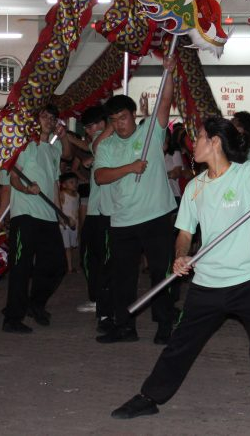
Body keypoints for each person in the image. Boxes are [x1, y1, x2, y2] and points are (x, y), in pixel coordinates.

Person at [110, 116, 250, 435]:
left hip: (249, 282)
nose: (194, 144)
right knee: (180, 345)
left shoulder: (248, 175)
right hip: (207, 284)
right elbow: (185, 234)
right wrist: (180, 257)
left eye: (200, 138)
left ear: (215, 142)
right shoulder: (194, 187)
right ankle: (149, 397)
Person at [97, 54, 178, 344]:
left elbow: (165, 103)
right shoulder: (106, 147)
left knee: (162, 273)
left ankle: (165, 324)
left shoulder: (149, 134)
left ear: (134, 115)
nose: (119, 124)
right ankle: (125, 326)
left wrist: (167, 73)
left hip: (156, 216)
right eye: (114, 120)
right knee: (123, 278)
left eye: (123, 117)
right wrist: (130, 168)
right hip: (123, 221)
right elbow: (101, 176)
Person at [0, 104, 71, 333]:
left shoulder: (53, 149)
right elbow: (13, 178)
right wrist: (25, 189)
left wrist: (60, 213)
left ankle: (35, 303)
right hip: (26, 215)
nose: (49, 120)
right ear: (35, 120)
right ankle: (12, 318)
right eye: (44, 116)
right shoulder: (24, 145)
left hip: (48, 216)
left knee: (57, 264)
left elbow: (55, 182)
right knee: (21, 267)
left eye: (52, 117)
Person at [74, 104, 114, 322]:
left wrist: (109, 126)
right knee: (91, 257)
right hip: (96, 210)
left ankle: (103, 300)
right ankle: (99, 298)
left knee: (97, 258)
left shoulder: (105, 139)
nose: (89, 132)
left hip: (104, 211)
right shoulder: (99, 142)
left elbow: (93, 144)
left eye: (90, 126)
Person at [59, 172, 80, 273]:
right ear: (63, 185)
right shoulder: (62, 194)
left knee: (71, 246)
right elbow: (58, 208)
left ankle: (68, 265)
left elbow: (77, 210)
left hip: (74, 224)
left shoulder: (77, 195)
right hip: (64, 225)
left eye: (76, 182)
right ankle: (69, 268)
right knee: (66, 246)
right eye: (71, 182)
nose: (75, 184)